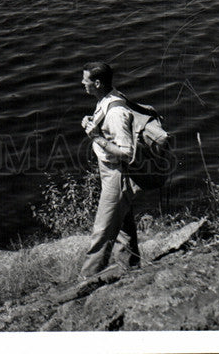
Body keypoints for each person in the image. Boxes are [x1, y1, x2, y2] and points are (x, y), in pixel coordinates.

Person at [79, 61, 141, 279]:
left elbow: (127, 152)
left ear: (96, 83)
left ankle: (86, 280)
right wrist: (92, 122)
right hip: (109, 170)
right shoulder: (107, 99)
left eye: (85, 79)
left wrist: (95, 137)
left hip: (118, 174)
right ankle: (131, 270)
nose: (82, 83)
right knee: (123, 225)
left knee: (103, 230)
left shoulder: (116, 112)